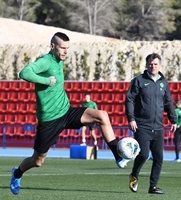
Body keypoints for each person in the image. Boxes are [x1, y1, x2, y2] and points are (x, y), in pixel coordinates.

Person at [10, 32, 128, 195]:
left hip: (66, 111)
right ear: (52, 47)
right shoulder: (45, 61)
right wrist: (46, 81)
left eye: (67, 48)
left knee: (102, 115)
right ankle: (17, 173)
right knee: (37, 161)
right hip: (50, 120)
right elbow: (24, 73)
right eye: (62, 48)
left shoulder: (59, 60)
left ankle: (118, 155)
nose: (66, 51)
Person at [125, 53, 177, 194]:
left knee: (159, 157)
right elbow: (129, 99)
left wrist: (173, 119)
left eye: (155, 64)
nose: (153, 66)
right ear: (146, 65)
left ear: (160, 65)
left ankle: (153, 186)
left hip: (158, 126)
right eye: (150, 64)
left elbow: (168, 102)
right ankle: (134, 175)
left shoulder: (163, 83)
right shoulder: (139, 80)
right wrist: (131, 118)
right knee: (143, 154)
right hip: (141, 125)